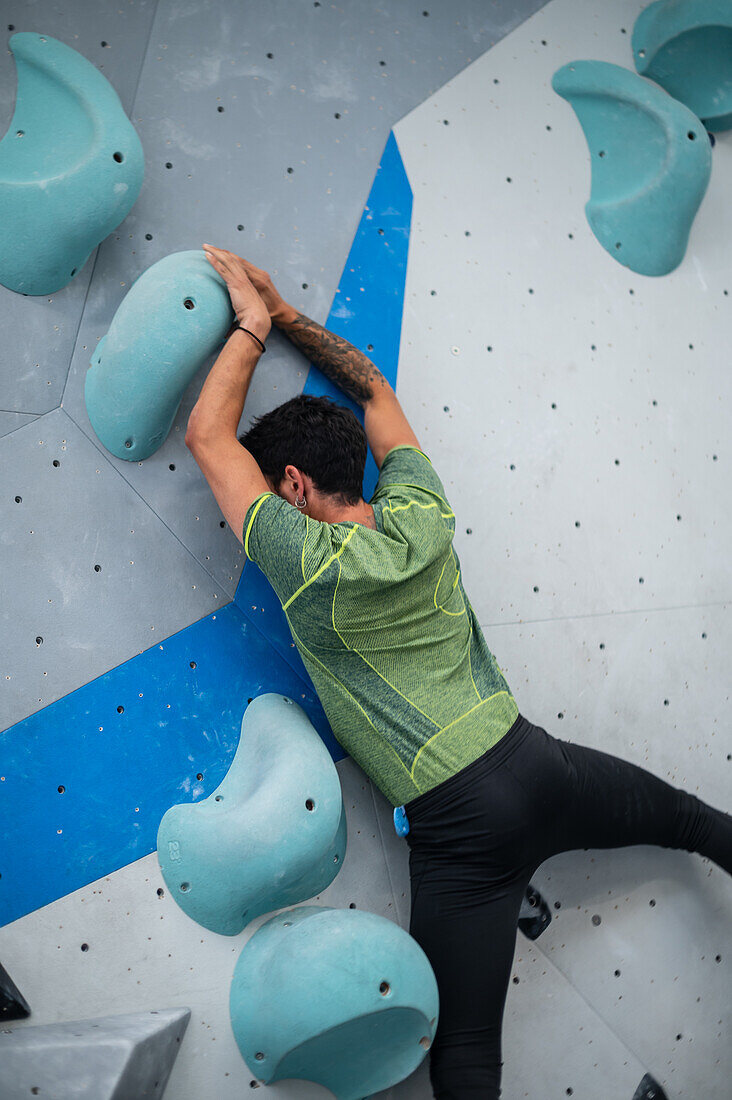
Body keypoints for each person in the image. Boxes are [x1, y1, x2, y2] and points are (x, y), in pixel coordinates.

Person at [187, 245, 732, 1099]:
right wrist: (286, 313)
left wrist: (248, 328)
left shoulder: (304, 560)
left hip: (459, 826)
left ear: (290, 484)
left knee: (467, 1053)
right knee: (699, 824)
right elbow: (374, 392)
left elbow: (206, 436)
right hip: (537, 764)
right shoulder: (420, 507)